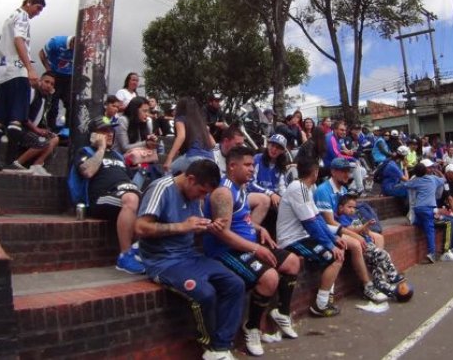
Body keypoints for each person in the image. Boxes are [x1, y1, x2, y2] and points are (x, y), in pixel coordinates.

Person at [135, 159, 245, 360]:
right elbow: (141, 227)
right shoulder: (161, 188)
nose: (202, 197)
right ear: (191, 179)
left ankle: (221, 347)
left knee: (235, 284)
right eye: (202, 192)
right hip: (163, 261)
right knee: (205, 293)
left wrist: (209, 226)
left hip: (190, 256)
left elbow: (193, 225)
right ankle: (210, 346)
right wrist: (182, 227)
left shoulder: (195, 195)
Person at [204, 146, 302, 356]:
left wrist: (258, 228)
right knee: (270, 278)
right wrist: (256, 247)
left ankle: (281, 313)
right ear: (232, 166)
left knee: (293, 262)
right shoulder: (223, 192)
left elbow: (240, 218)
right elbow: (222, 233)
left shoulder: (241, 188)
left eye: (253, 165)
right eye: (247, 165)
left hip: (246, 245)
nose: (252, 170)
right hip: (226, 251)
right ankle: (253, 327)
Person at [312, 159, 389, 303]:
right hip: (328, 231)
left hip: (343, 227)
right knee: (355, 244)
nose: (347, 174)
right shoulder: (323, 190)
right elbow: (329, 222)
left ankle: (378, 278)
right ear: (333, 172)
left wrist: (363, 230)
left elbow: (349, 217)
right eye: (343, 171)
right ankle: (367, 285)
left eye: (348, 171)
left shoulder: (343, 190)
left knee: (378, 237)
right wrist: (356, 234)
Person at [276, 160, 346, 318]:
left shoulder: (305, 188)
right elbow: (310, 223)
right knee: (333, 257)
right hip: (290, 239)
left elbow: (318, 218)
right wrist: (330, 244)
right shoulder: (297, 188)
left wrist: (333, 239)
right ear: (314, 173)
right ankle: (321, 305)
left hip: (302, 236)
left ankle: (326, 299)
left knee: (335, 251)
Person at [0, 0, 46, 172]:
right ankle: (10, 161)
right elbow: (19, 39)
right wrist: (29, 67)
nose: (38, 13)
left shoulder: (9, 18)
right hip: (18, 70)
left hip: (4, 72)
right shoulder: (22, 17)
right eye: (37, 8)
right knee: (16, 119)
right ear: (29, 2)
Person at [78, 117, 144, 275]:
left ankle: (141, 249)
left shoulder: (117, 156)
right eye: (104, 131)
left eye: (111, 131)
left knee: (155, 199)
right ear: (93, 135)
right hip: (103, 197)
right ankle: (125, 256)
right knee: (131, 199)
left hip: (127, 191)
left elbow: (129, 178)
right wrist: (100, 149)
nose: (109, 134)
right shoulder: (86, 152)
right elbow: (87, 172)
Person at [395, 162, 453, 263]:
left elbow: (403, 185)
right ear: (426, 170)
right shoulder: (433, 179)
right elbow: (444, 179)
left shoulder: (415, 181)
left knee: (424, 224)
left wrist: (394, 185)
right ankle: (434, 253)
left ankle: (415, 222)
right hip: (428, 209)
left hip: (417, 209)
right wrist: (439, 171)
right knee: (431, 230)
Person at [335, 195, 403, 295]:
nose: (352, 210)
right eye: (349, 207)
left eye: (354, 207)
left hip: (368, 242)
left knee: (376, 264)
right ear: (341, 208)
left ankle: (380, 283)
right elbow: (351, 230)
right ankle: (392, 276)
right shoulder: (343, 218)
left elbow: (364, 231)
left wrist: (368, 227)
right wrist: (365, 226)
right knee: (383, 255)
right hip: (363, 246)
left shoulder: (355, 217)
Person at [11, 72, 59, 175]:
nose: (49, 85)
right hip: (20, 129)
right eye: (47, 82)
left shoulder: (46, 100)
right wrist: (37, 130)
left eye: (52, 84)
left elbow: (48, 117)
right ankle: (17, 163)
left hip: (32, 131)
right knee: (43, 142)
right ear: (40, 81)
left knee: (54, 138)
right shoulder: (32, 93)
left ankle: (37, 165)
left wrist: (46, 131)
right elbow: (23, 116)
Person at [115, 96, 162, 189]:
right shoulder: (123, 120)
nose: (147, 114)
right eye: (144, 111)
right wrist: (145, 143)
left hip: (140, 160)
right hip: (123, 159)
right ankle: (134, 191)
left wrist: (151, 140)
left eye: (148, 111)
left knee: (154, 164)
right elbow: (124, 147)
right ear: (135, 110)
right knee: (145, 168)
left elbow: (145, 144)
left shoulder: (145, 123)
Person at [165, 97, 216, 173]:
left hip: (193, 158)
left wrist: (169, 158)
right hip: (210, 160)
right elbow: (213, 144)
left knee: (168, 172)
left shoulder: (180, 119)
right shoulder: (201, 123)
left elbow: (181, 136)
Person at [37, 35, 74, 131]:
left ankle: (67, 130)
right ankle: (50, 128)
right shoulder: (56, 42)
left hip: (69, 76)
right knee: (53, 104)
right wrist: (49, 70)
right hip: (55, 75)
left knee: (70, 103)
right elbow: (41, 54)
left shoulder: (82, 48)